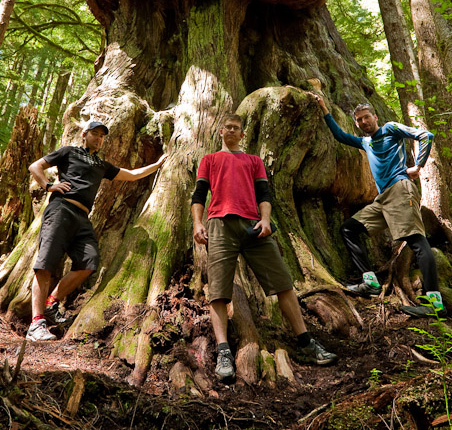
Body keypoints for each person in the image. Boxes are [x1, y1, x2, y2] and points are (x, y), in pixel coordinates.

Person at [191, 113, 337, 382]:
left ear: (242, 134)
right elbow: (199, 194)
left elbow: (264, 195)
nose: (233, 131)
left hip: (254, 227)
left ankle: (306, 343)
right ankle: (224, 352)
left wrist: (266, 220)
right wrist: (197, 224)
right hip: (219, 225)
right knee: (219, 292)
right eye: (228, 128)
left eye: (237, 128)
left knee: (283, 283)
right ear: (221, 131)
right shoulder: (209, 160)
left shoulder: (253, 161)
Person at [27, 120, 167, 341]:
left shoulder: (101, 164)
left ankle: (51, 303)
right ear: (84, 134)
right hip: (61, 209)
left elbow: (130, 175)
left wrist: (158, 165)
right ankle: (36, 324)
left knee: (89, 261)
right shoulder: (68, 152)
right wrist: (48, 186)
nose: (99, 138)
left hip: (82, 217)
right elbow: (35, 166)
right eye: (95, 134)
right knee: (45, 265)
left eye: (102, 136)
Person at [314, 94, 446, 319]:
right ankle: (371, 282)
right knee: (349, 229)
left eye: (367, 117)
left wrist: (418, 166)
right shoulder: (365, 142)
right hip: (383, 199)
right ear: (357, 123)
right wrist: (323, 106)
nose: (364, 122)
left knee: (416, 240)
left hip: (400, 189)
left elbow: (425, 135)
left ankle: (434, 303)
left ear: (375, 117)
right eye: (360, 120)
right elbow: (339, 135)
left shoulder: (390, 129)